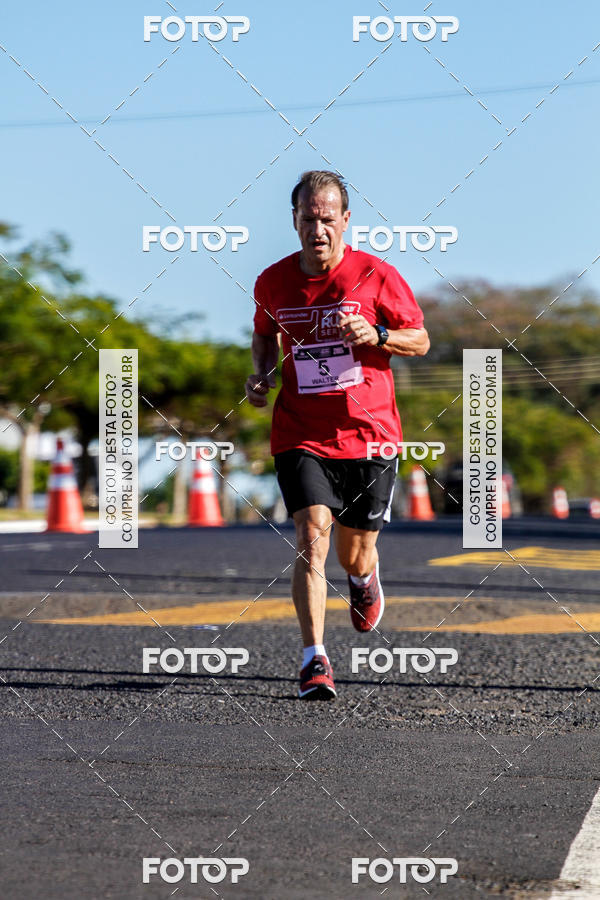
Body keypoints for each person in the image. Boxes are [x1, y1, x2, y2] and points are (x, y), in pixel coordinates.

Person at [245, 170, 429, 700]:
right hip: (301, 432)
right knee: (310, 538)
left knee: (355, 553)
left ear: (345, 220)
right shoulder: (273, 281)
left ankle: (365, 578)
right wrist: (262, 374)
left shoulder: (376, 274)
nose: (318, 229)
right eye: (309, 219)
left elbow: (420, 339)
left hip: (370, 435)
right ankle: (314, 660)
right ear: (295, 221)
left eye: (328, 219)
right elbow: (263, 337)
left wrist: (380, 334)